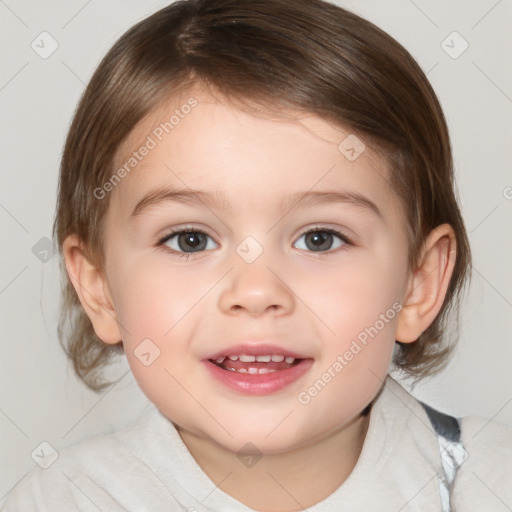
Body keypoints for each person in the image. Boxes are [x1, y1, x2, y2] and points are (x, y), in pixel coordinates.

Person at [4, 0, 511, 510]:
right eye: (190, 240)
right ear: (100, 289)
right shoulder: (59, 500)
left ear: (417, 283)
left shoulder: (490, 483)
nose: (256, 292)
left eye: (320, 238)